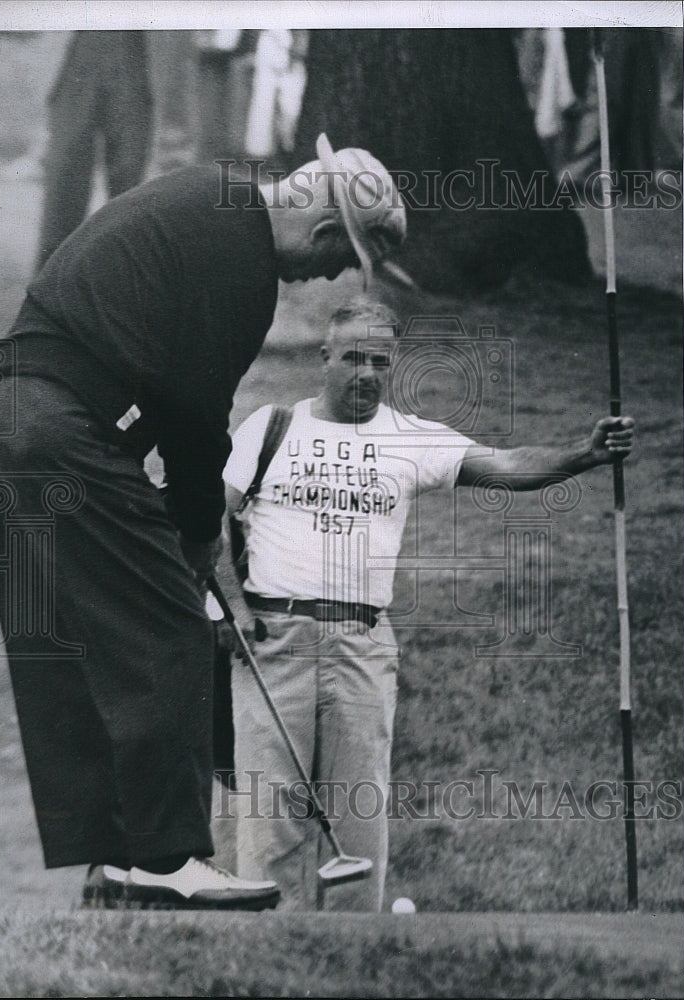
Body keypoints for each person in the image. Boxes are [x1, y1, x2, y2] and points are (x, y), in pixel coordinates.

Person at [0, 135, 406, 910]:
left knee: (69, 644)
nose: (331, 274)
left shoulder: (215, 197)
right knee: (169, 625)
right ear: (326, 229)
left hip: (3, 425)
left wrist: (173, 524)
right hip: (59, 429)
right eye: (343, 257)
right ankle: (167, 862)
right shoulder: (240, 259)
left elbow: (162, 382)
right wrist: (196, 538)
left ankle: (111, 862)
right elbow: (198, 417)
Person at [219, 297, 635, 912]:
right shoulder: (270, 426)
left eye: (381, 362)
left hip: (362, 645)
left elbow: (507, 464)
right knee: (270, 818)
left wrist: (586, 452)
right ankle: (265, 960)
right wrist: (231, 611)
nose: (367, 373)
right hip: (271, 642)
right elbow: (210, 517)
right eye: (354, 357)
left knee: (358, 818)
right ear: (325, 357)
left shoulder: (410, 437)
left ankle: (356, 963)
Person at [35, 31, 154, 272]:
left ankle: (125, 282)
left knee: (129, 173)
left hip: (142, 39)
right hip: (86, 33)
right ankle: (50, 284)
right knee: (67, 165)